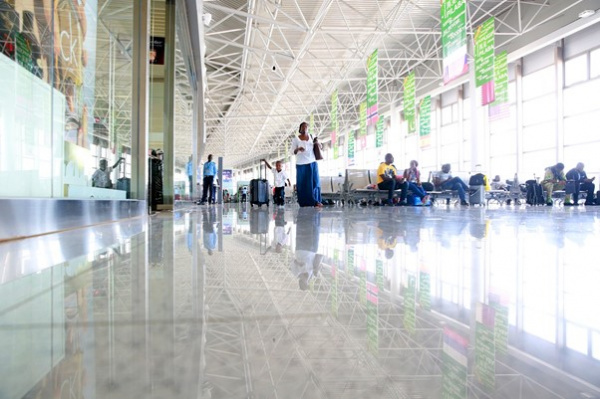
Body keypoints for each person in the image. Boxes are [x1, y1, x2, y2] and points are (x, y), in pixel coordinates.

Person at [291, 122, 323, 207]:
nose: (305, 128)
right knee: (303, 184)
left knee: (315, 182)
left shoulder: (312, 136)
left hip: (312, 162)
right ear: (300, 129)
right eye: (303, 127)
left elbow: (321, 146)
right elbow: (292, 151)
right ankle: (304, 202)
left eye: (306, 127)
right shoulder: (296, 139)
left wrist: (317, 143)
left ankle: (316, 201)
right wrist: (298, 149)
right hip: (301, 164)